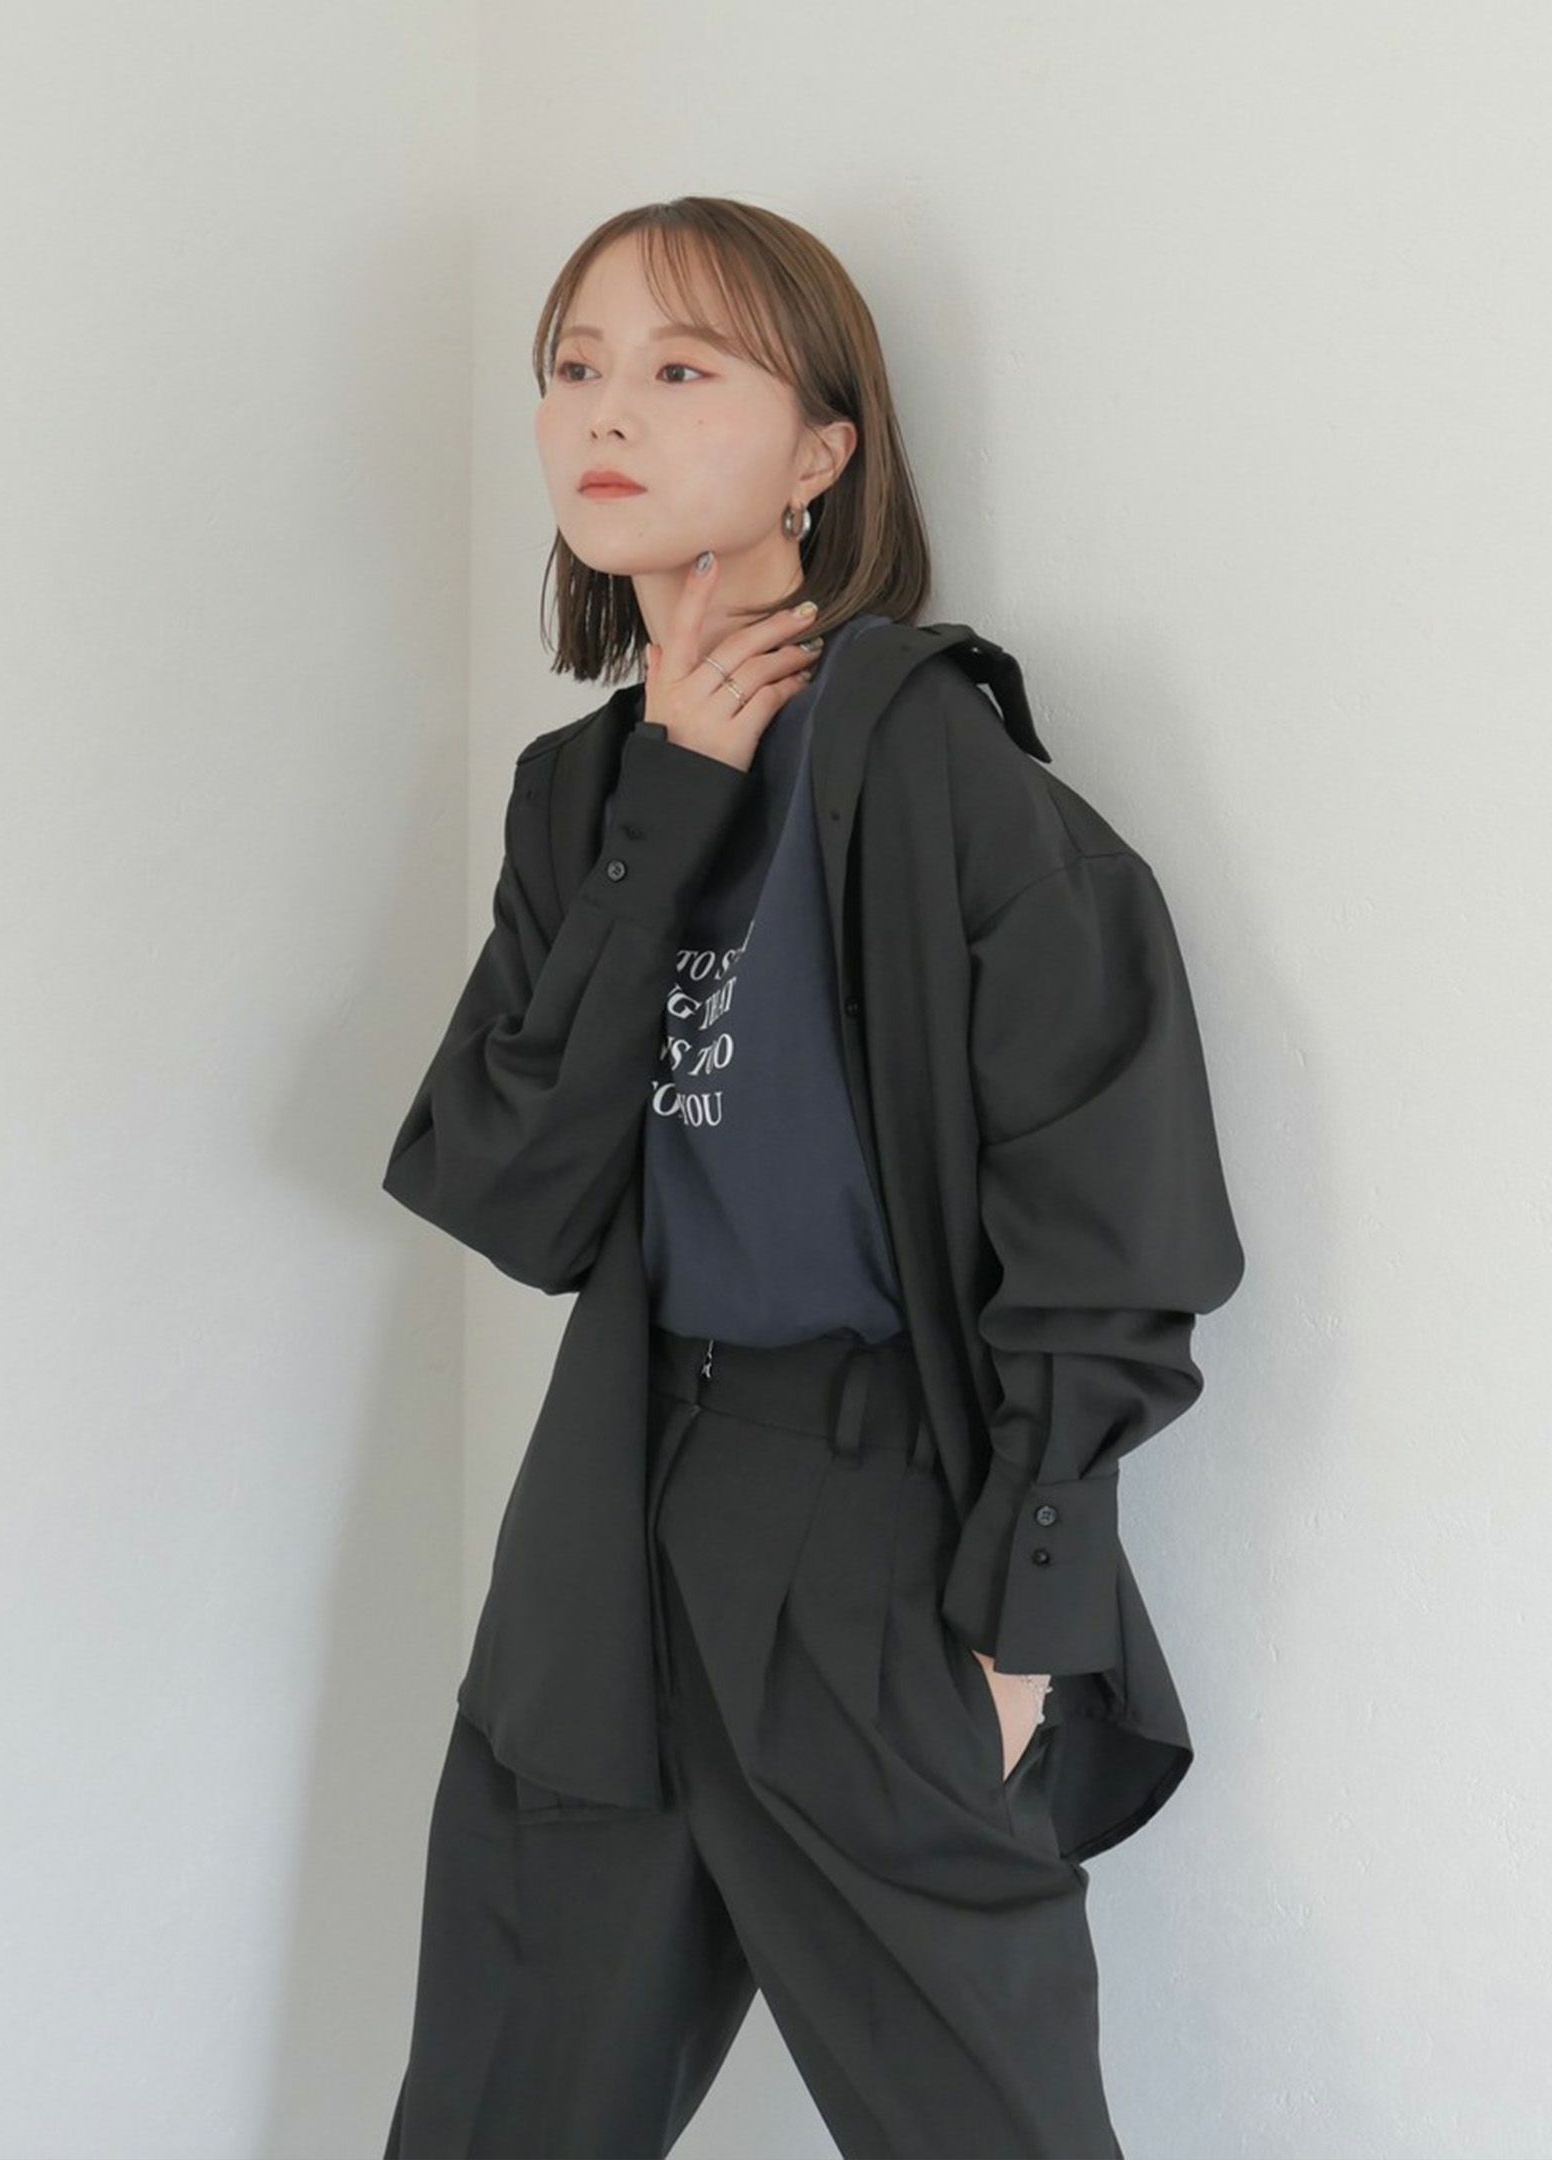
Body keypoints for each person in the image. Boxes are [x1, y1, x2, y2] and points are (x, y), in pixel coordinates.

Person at [379, 195, 1246, 2160]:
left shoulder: (943, 780)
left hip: (870, 1541)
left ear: (821, 453)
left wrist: (1029, 1617)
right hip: (605, 1525)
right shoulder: (583, 795)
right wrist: (672, 797)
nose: (608, 410)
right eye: (575, 366)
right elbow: (515, 1188)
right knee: (498, 2120)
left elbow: (1116, 1213)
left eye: (684, 368)